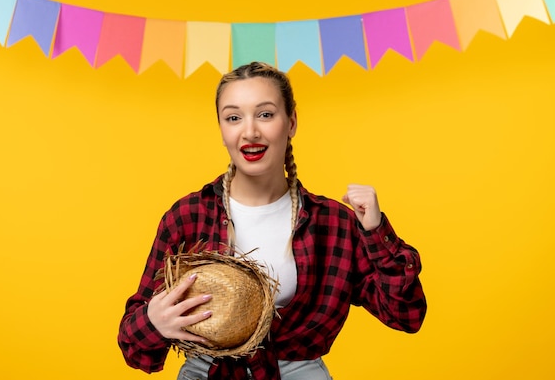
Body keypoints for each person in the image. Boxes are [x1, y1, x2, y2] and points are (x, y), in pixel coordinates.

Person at [118, 61, 427, 380]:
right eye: (233, 117)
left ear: (291, 122)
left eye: (265, 114)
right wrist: (153, 322)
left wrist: (375, 232)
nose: (250, 131)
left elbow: (406, 315)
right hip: (207, 373)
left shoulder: (333, 223)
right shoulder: (187, 216)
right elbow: (134, 349)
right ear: (222, 129)